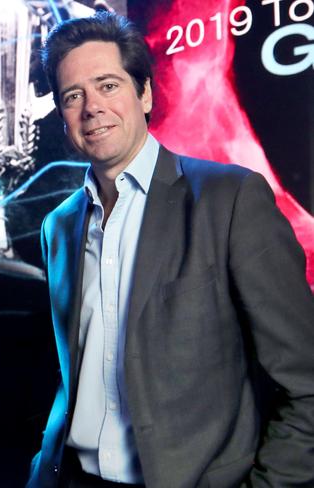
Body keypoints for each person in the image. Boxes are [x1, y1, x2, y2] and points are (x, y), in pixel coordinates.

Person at [27, 11, 314, 488]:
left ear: (144, 93)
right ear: (62, 116)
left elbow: (307, 384)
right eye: (73, 95)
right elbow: (72, 378)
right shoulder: (58, 227)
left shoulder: (229, 199)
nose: (92, 107)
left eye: (108, 85)